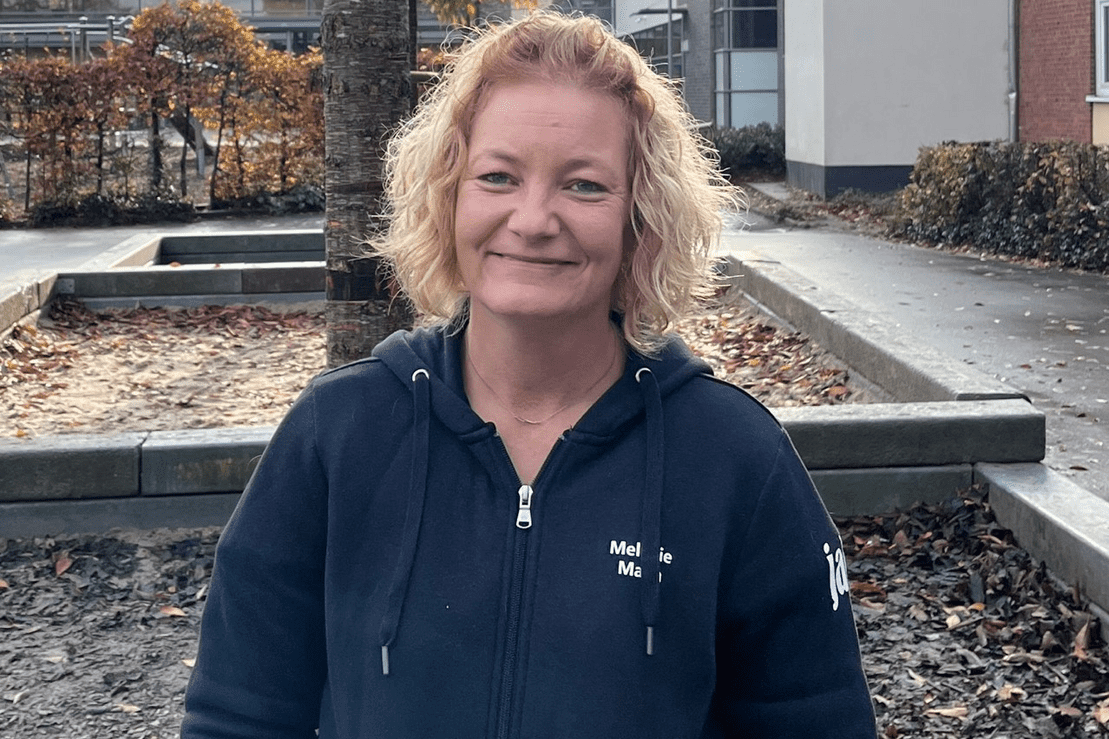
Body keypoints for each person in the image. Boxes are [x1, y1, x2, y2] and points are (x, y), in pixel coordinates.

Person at [181, 11, 877, 739]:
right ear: (449, 195)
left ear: (640, 217)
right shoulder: (336, 434)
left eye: (582, 185)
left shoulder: (735, 460)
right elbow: (237, 718)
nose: (533, 217)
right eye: (497, 177)